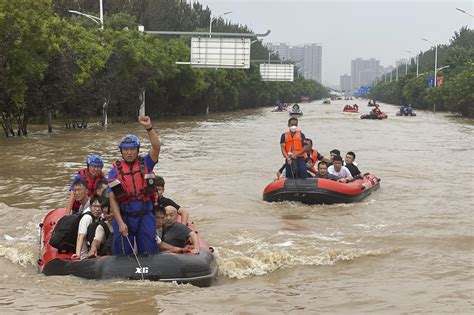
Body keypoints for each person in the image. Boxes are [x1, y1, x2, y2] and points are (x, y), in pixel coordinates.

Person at [108, 116, 160, 255]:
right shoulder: (114, 171)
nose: (129, 152)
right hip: (124, 216)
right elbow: (112, 199)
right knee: (122, 253)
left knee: (149, 251)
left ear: (137, 150)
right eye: (126, 150)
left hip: (145, 215)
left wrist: (149, 128)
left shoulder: (146, 163)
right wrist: (119, 223)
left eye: (132, 149)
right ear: (121, 151)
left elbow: (156, 147)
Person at [72, 194, 103, 260]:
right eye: (95, 206)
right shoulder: (87, 218)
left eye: (100, 207)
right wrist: (78, 254)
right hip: (85, 256)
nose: (97, 209)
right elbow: (81, 237)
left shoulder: (101, 217)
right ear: (90, 206)